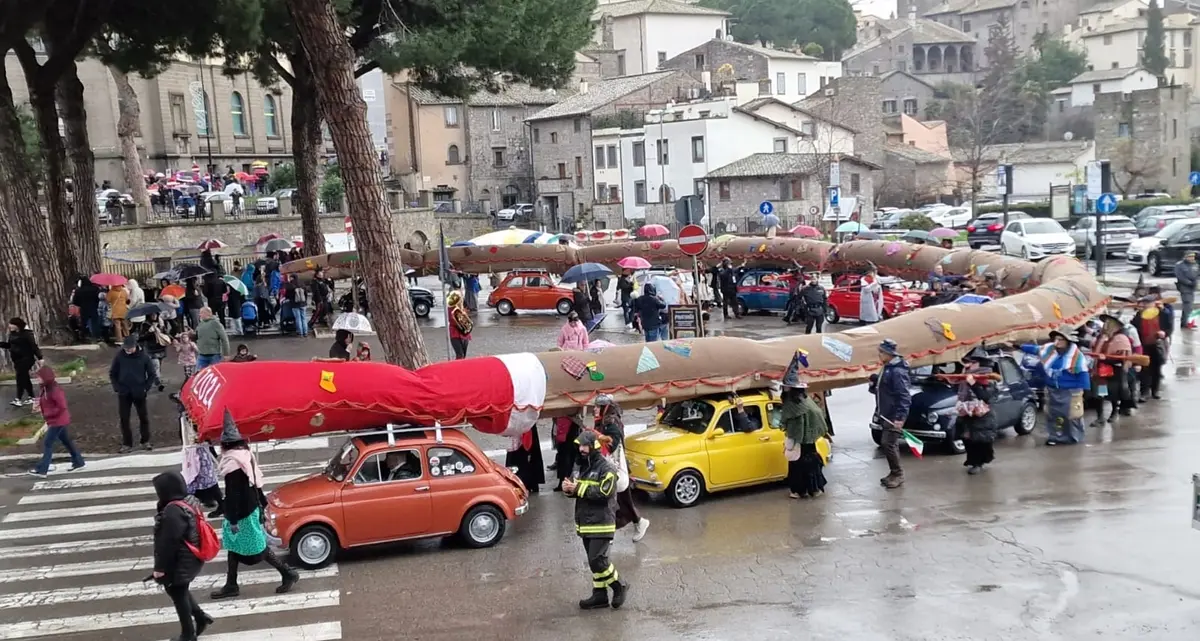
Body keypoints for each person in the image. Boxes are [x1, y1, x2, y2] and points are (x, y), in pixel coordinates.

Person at [211, 410, 299, 599]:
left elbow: (235, 494)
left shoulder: (233, 464)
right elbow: (255, 481)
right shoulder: (245, 455)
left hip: (241, 512)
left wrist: (233, 519)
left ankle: (287, 573)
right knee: (235, 546)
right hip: (250, 507)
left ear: (226, 444)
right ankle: (231, 584)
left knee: (257, 548)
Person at [562, 431, 629, 610]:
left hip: (602, 522)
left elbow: (604, 493)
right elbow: (577, 488)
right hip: (585, 522)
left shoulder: (606, 468)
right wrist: (568, 489)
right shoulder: (581, 465)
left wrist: (578, 487)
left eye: (585, 445)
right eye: (580, 445)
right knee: (595, 562)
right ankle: (599, 595)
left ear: (594, 446)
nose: (581, 449)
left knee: (597, 560)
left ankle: (619, 585)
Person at [152, 471, 214, 641]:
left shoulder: (173, 510)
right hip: (191, 556)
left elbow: (168, 543)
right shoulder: (189, 500)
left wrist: (160, 568)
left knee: (177, 591)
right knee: (179, 589)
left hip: (180, 559)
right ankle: (200, 618)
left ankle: (188, 634)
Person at [593, 394, 649, 542]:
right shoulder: (603, 421)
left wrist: (596, 438)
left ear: (605, 408)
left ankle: (609, 533)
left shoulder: (611, 423)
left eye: (598, 407)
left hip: (615, 467)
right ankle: (637, 523)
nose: (595, 409)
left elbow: (611, 446)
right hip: (612, 468)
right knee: (622, 502)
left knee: (615, 503)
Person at [1020, 328, 1090, 446]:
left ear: (1068, 341)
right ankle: (1056, 437)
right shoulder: (1049, 350)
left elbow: (1083, 374)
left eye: (1061, 339)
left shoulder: (1077, 357)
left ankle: (1073, 437)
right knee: (1053, 415)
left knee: (1072, 416)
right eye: (1056, 339)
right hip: (1052, 389)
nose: (1057, 342)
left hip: (1070, 391)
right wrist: (1018, 346)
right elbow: (1035, 349)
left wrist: (1082, 393)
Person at [779, 353, 828, 499]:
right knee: (811, 465)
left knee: (798, 466)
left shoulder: (792, 405)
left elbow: (790, 423)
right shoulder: (806, 401)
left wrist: (791, 436)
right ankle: (813, 489)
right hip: (809, 441)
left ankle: (799, 490)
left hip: (799, 442)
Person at [26, 367, 85, 477]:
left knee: (48, 443)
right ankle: (79, 462)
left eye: (39, 377)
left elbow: (62, 406)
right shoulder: (46, 388)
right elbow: (47, 402)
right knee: (67, 441)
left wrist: (48, 414)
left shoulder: (54, 390)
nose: (38, 379)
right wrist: (40, 407)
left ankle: (42, 469)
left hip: (58, 421)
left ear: (45, 377)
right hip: (56, 420)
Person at [874, 339, 911, 489]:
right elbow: (883, 390)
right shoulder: (888, 368)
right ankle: (893, 472)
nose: (879, 355)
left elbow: (904, 396)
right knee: (887, 443)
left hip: (893, 414)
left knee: (889, 443)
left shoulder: (897, 371)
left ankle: (898, 474)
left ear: (889, 354)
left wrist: (900, 418)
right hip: (886, 413)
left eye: (881, 352)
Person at [957, 347, 999, 474]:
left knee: (980, 440)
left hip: (983, 416)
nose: (968, 364)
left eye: (972, 362)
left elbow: (985, 396)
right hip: (967, 412)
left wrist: (973, 384)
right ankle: (973, 460)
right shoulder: (966, 375)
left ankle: (978, 463)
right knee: (967, 438)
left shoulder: (988, 378)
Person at [110, 335, 155, 453]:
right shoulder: (119, 357)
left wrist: (145, 388)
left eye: (130, 348)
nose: (128, 350)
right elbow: (113, 373)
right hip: (124, 392)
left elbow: (151, 374)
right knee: (124, 418)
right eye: (126, 348)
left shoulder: (144, 357)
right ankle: (127, 443)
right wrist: (117, 388)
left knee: (143, 417)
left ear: (135, 346)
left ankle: (145, 440)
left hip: (139, 392)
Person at [1092, 313, 1132, 425]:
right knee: (1099, 394)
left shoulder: (1121, 338)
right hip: (1101, 371)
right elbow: (1095, 349)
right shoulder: (1101, 337)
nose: (1106, 325)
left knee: (1114, 394)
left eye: (1109, 323)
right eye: (1106, 322)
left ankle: (1114, 412)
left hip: (1115, 371)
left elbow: (1122, 358)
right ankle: (1100, 417)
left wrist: (1106, 359)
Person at [1132, 296, 1168, 402]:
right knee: (1144, 369)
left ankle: (1155, 390)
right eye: (1145, 303)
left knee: (1156, 368)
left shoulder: (1162, 314)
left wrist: (1164, 333)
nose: (1146, 305)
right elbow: (1134, 328)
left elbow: (1168, 326)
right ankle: (1144, 392)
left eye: (1148, 303)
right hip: (1143, 345)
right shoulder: (1139, 315)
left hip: (1157, 344)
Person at [2, 318, 42, 406]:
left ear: (17, 325)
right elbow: (9, 345)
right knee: (25, 378)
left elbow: (33, 346)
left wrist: (40, 357)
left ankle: (18, 399)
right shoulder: (12, 334)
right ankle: (32, 397)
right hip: (17, 360)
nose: (9, 326)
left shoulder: (27, 334)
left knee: (20, 378)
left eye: (11, 324)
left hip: (27, 359)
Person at [505, 423, 545, 494]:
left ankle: (524, 484)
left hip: (523, 427)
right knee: (527, 457)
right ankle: (530, 483)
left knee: (522, 458)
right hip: (523, 426)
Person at [552, 411, 583, 491]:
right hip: (569, 423)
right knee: (568, 456)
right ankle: (566, 480)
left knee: (565, 457)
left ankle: (565, 481)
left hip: (567, 425)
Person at [1174, 251, 1197, 329]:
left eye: (1193, 256)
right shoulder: (1180, 265)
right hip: (1184, 288)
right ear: (1185, 257)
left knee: (1189, 306)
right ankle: (1185, 323)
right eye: (1190, 256)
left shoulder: (1195, 264)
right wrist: (1189, 283)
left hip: (1192, 288)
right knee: (1188, 305)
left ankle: (1187, 322)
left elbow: (1197, 274)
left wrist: (1196, 283)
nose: (1191, 258)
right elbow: (1180, 276)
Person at [447, 291, 472, 359]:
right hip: (455, 333)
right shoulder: (451, 308)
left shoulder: (463, 306)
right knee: (459, 354)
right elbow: (451, 320)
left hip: (465, 334)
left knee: (463, 354)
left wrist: (464, 313)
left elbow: (467, 320)